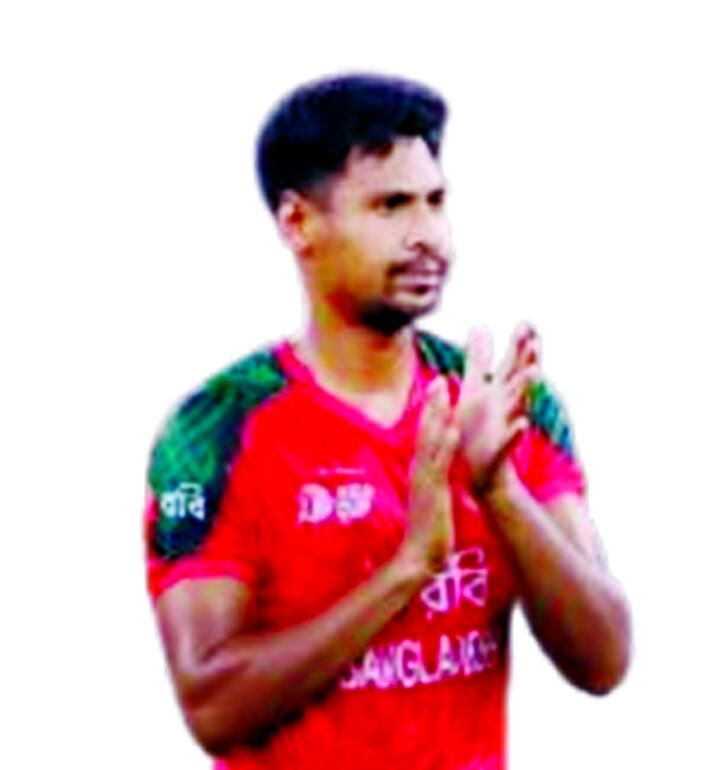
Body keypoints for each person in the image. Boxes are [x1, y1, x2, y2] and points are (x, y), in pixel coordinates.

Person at [144, 73, 631, 769]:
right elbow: (212, 707)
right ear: (298, 223)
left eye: (436, 201)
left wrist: (499, 492)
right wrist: (406, 571)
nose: (427, 235)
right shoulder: (215, 431)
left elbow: (604, 661)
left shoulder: (502, 407)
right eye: (391, 206)